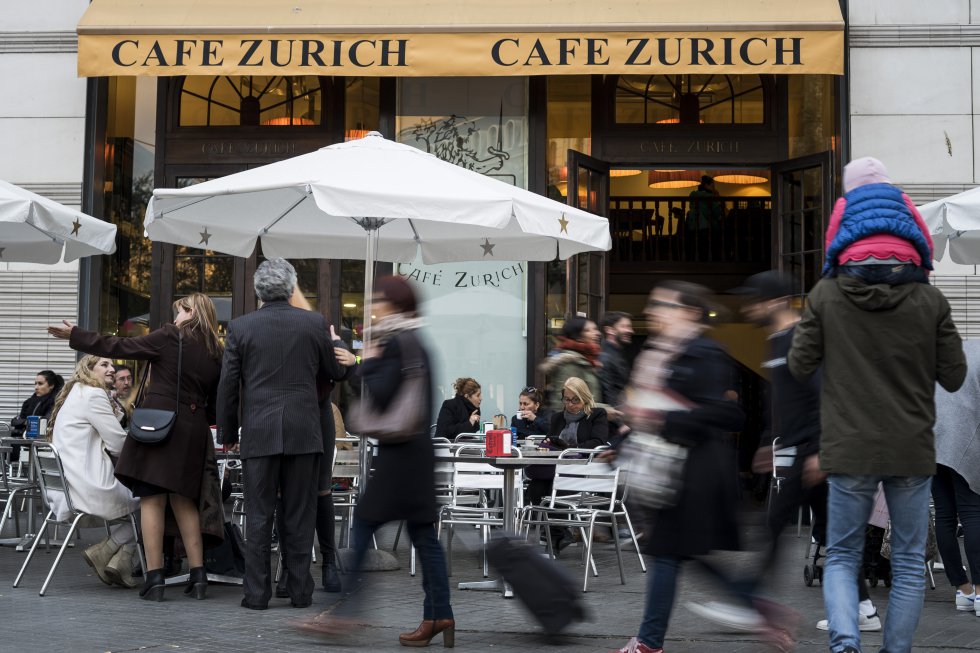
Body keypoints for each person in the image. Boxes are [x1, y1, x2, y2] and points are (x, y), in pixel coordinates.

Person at [788, 188, 966, 653]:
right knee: (907, 562)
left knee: (843, 556)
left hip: (848, 447)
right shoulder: (930, 301)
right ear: (913, 237)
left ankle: (846, 643)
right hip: (911, 446)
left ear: (843, 236)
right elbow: (954, 376)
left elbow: (800, 365)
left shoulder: (826, 295)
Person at [691, 271, 880, 633]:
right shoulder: (777, 341)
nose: (748, 307)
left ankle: (752, 604)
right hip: (795, 450)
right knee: (827, 532)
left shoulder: (802, 338)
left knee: (776, 527)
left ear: (776, 302)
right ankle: (865, 608)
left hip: (812, 452)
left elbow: (826, 395)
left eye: (755, 300)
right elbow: (784, 402)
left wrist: (821, 451)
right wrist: (768, 442)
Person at [302, 276, 454, 646]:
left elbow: (384, 395)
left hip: (400, 456)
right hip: (415, 453)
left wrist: (363, 363)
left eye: (379, 300)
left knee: (364, 525)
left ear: (395, 305)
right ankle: (439, 614)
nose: (373, 306)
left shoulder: (397, 342)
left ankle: (345, 613)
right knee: (423, 537)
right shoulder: (415, 340)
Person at [49, 292, 224, 602]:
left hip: (161, 426)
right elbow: (217, 402)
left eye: (179, 311)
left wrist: (76, 335)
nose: (175, 317)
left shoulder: (171, 336)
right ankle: (198, 576)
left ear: (192, 311)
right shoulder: (215, 350)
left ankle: (155, 577)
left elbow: (120, 346)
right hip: (194, 431)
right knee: (184, 501)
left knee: (152, 500)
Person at [613, 281, 758, 653]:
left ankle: (649, 641)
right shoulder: (664, 352)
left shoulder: (703, 352)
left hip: (693, 472)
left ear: (691, 312)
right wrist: (628, 433)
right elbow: (650, 410)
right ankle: (758, 609)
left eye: (665, 304)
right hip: (671, 468)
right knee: (678, 554)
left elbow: (724, 414)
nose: (655, 311)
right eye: (654, 304)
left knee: (669, 553)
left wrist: (659, 416)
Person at [217, 258, 346, 611]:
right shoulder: (314, 323)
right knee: (299, 514)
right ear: (291, 289)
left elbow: (228, 384)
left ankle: (257, 594)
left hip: (260, 432)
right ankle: (300, 591)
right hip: (305, 431)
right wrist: (342, 349)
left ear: (258, 290)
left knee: (259, 515)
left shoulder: (241, 327)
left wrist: (227, 431)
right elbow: (334, 371)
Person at [274, 284, 354, 597]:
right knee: (285, 494)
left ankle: (329, 562)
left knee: (321, 490)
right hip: (287, 414)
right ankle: (290, 568)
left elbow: (342, 371)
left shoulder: (323, 331)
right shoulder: (279, 332)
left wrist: (347, 353)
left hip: (319, 414)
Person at [46, 355, 141, 588]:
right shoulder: (94, 394)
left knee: (147, 500)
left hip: (68, 487)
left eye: (111, 364)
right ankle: (107, 550)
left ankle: (120, 562)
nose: (111, 369)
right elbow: (117, 445)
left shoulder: (77, 392)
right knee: (154, 500)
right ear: (88, 369)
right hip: (89, 486)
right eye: (104, 365)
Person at [822, 156, 933, 283]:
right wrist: (925, 269)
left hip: (856, 265)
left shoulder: (845, 202)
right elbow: (925, 237)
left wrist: (830, 269)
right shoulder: (902, 197)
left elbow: (832, 240)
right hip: (902, 264)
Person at [932, 339, 980, 617]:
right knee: (973, 514)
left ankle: (962, 590)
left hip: (932, 443)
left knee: (945, 515)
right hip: (965, 443)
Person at [540, 315, 602, 414]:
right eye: (589, 330)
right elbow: (565, 404)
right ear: (578, 336)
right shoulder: (571, 363)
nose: (597, 333)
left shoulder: (588, 360)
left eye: (596, 329)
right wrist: (605, 410)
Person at [9, 369, 63, 461]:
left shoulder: (55, 402)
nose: (36, 387)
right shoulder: (30, 401)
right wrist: (27, 422)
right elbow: (15, 421)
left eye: (40, 384)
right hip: (25, 439)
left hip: (44, 442)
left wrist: (25, 422)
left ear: (51, 386)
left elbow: (45, 421)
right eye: (35, 384)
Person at [599, 311, 633, 408]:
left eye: (629, 327)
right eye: (624, 326)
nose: (630, 331)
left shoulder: (617, 353)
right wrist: (620, 422)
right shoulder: (605, 356)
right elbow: (608, 393)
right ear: (609, 330)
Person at [686, 175, 724, 260]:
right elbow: (717, 213)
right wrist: (718, 199)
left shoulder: (693, 195)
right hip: (708, 229)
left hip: (694, 227)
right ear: (706, 185)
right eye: (712, 186)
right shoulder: (711, 197)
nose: (714, 188)